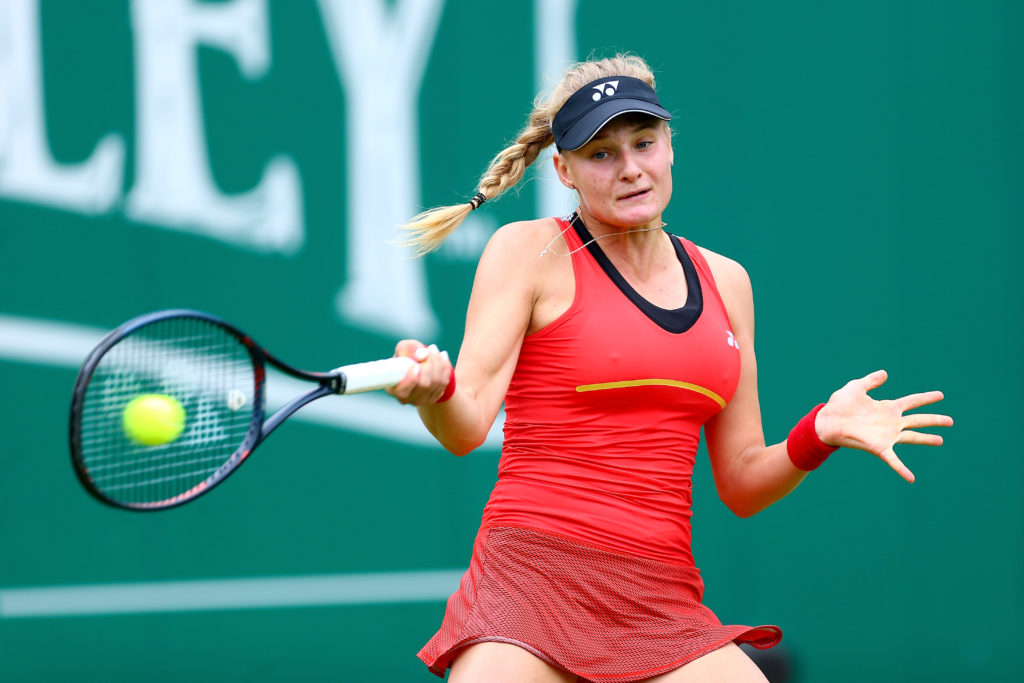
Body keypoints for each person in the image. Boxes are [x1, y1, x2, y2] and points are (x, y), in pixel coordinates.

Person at [385, 54, 953, 682]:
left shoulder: (727, 282)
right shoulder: (528, 251)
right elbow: (466, 426)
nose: (630, 168)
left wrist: (818, 432)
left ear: (669, 146)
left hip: (659, 599)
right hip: (528, 581)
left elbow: (741, 482)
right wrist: (436, 393)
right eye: (601, 154)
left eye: (644, 143)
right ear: (564, 170)